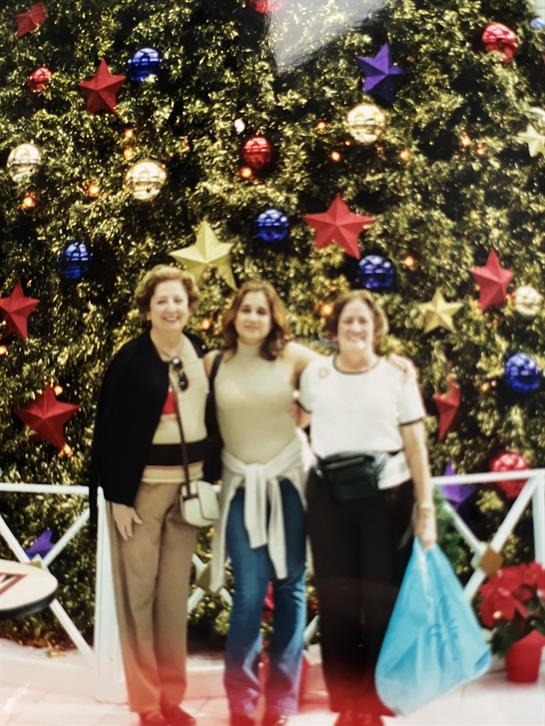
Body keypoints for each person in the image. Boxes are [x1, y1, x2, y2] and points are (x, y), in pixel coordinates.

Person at [298, 290, 437, 726]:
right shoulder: (316, 375)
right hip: (329, 501)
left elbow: (415, 444)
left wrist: (426, 507)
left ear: (376, 328)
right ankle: (347, 703)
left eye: (363, 321)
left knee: (380, 599)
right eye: (347, 322)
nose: (355, 329)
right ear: (334, 330)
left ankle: (375, 701)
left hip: (387, 499)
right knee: (337, 601)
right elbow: (291, 419)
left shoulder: (397, 376)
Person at [90, 265, 208, 726]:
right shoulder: (131, 359)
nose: (171, 308)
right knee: (137, 598)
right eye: (162, 301)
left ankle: (171, 699)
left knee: (172, 599)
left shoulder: (198, 351)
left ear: (189, 305)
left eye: (178, 300)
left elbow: (211, 414)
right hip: (139, 496)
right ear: (148, 308)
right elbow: (108, 433)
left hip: (187, 493)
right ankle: (145, 703)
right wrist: (117, 496)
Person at [205, 280, 318, 726]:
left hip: (290, 482)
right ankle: (241, 701)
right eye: (246, 309)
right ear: (233, 315)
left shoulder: (293, 356)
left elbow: (343, 369)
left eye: (262, 311)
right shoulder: (215, 362)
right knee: (249, 592)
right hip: (240, 486)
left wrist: (306, 408)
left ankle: (283, 702)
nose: (253, 318)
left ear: (273, 319)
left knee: (291, 588)